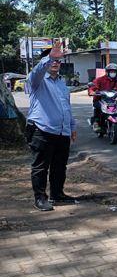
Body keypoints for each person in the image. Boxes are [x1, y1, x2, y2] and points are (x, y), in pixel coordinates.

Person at [25, 43, 77, 211]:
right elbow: (37, 71)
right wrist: (49, 57)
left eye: (58, 60)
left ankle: (57, 194)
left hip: (62, 131)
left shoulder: (62, 83)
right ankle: (40, 198)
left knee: (59, 165)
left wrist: (72, 126)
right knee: (40, 166)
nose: (55, 63)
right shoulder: (37, 80)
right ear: (45, 61)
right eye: (52, 60)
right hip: (42, 130)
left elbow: (66, 107)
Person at [89, 63, 117, 131]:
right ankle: (96, 122)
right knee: (98, 108)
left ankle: (116, 120)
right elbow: (93, 87)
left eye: (114, 72)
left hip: (111, 100)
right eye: (111, 71)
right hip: (100, 99)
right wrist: (92, 92)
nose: (113, 73)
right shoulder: (99, 79)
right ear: (107, 72)